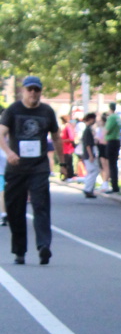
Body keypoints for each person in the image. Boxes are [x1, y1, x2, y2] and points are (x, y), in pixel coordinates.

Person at [0, 75, 61, 264]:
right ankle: (20, 251)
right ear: (23, 91)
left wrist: (64, 163)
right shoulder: (13, 110)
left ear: (40, 91)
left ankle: (43, 246)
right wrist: (9, 152)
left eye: (37, 90)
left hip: (39, 167)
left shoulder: (47, 111)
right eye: (30, 89)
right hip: (16, 167)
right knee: (15, 209)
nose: (33, 93)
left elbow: (56, 137)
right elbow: (1, 133)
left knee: (41, 205)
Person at [80, 112, 100, 197]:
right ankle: (88, 189)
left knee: (90, 171)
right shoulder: (88, 130)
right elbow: (88, 144)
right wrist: (91, 155)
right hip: (89, 154)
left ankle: (89, 188)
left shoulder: (87, 130)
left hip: (87, 154)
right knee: (94, 171)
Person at [104, 102, 121, 193]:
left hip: (111, 141)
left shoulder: (111, 117)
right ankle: (115, 185)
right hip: (117, 140)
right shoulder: (118, 117)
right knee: (114, 164)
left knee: (111, 164)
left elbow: (107, 130)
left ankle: (114, 185)